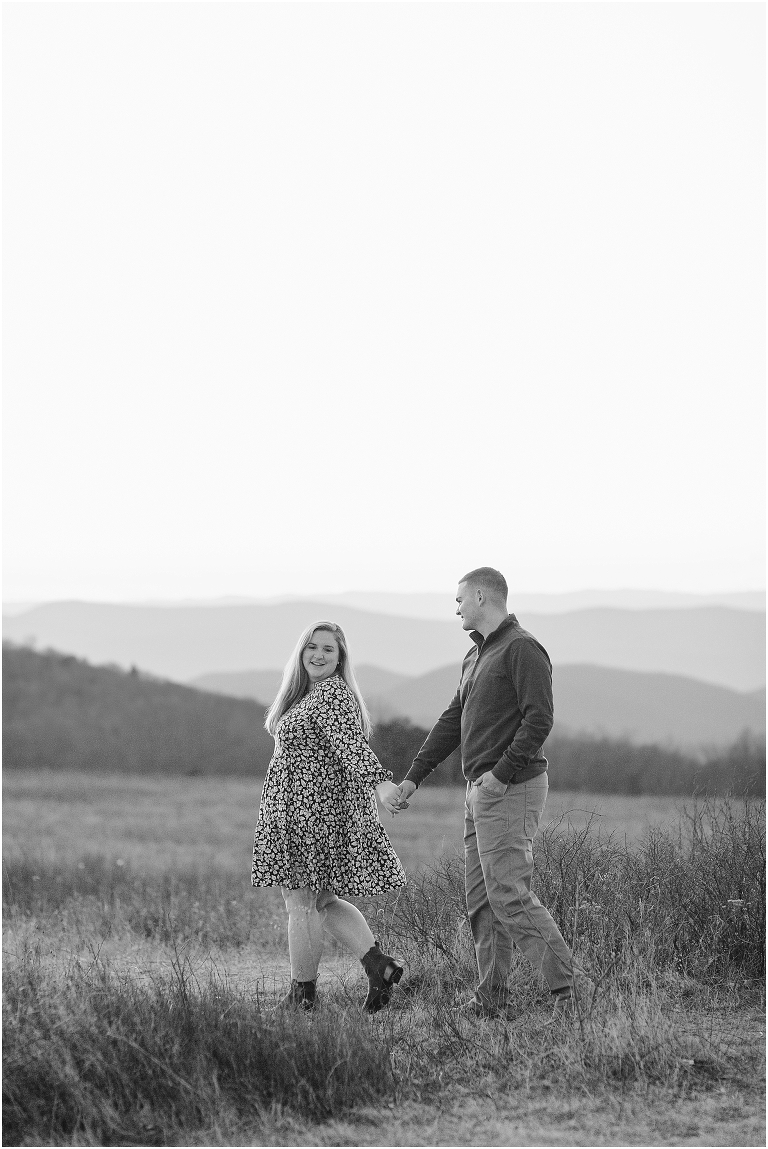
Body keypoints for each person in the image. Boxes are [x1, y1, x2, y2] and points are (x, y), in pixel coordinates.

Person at [398, 567, 579, 1019]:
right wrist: (412, 778)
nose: (455, 607)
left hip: (511, 787)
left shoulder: (522, 649)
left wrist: (498, 777)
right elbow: (449, 722)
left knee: (510, 894)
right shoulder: (474, 656)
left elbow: (539, 720)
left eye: (459, 598)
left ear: (481, 596)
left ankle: (573, 995)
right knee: (482, 901)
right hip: (478, 791)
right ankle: (491, 998)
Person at [252, 620, 407, 1013]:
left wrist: (380, 783)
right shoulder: (310, 694)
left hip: (311, 813)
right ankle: (379, 966)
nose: (318, 656)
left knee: (300, 902)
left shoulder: (332, 695)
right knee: (321, 898)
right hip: (304, 809)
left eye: (329, 650)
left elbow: (352, 746)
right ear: (301, 652)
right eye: (312, 648)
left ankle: (301, 998)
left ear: (340, 660)